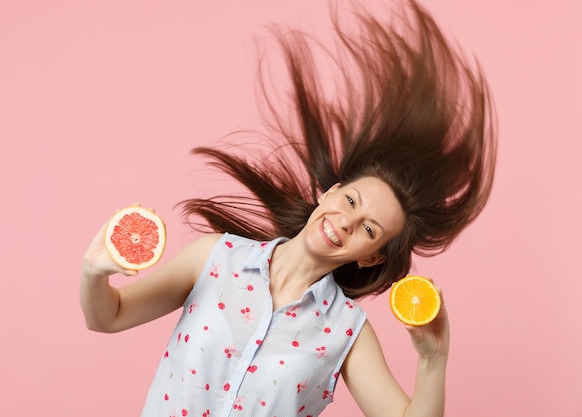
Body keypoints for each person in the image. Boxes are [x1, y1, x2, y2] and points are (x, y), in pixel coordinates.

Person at [81, 1, 497, 416]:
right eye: (350, 201)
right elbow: (109, 316)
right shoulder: (214, 259)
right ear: (329, 193)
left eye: (369, 230)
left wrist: (433, 359)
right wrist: (92, 273)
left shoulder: (345, 332)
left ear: (371, 256)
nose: (347, 222)